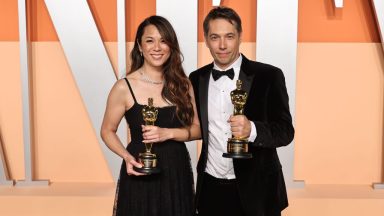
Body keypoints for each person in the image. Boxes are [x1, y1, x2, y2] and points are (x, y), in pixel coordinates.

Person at [189, 7, 294, 216]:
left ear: (240, 37)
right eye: (214, 37)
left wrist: (252, 130)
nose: (222, 45)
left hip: (258, 191)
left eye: (229, 36)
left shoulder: (269, 75)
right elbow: (194, 127)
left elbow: (285, 131)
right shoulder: (196, 79)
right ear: (206, 39)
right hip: (210, 189)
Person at [101, 15, 200, 216]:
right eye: (150, 40)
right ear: (140, 46)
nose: (157, 47)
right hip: (139, 170)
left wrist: (168, 133)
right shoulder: (124, 87)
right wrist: (126, 157)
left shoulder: (183, 84)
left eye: (163, 41)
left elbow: (197, 129)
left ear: (171, 46)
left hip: (176, 170)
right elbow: (107, 131)